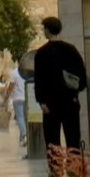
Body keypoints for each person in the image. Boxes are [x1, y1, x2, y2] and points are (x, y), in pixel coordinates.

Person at [30, 17, 86, 153]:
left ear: (48, 30)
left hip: (50, 104)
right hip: (70, 102)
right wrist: (76, 90)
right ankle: (74, 170)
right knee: (73, 140)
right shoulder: (71, 50)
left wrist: (41, 101)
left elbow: (39, 79)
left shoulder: (42, 53)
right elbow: (82, 76)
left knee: (52, 142)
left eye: (44, 28)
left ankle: (56, 172)